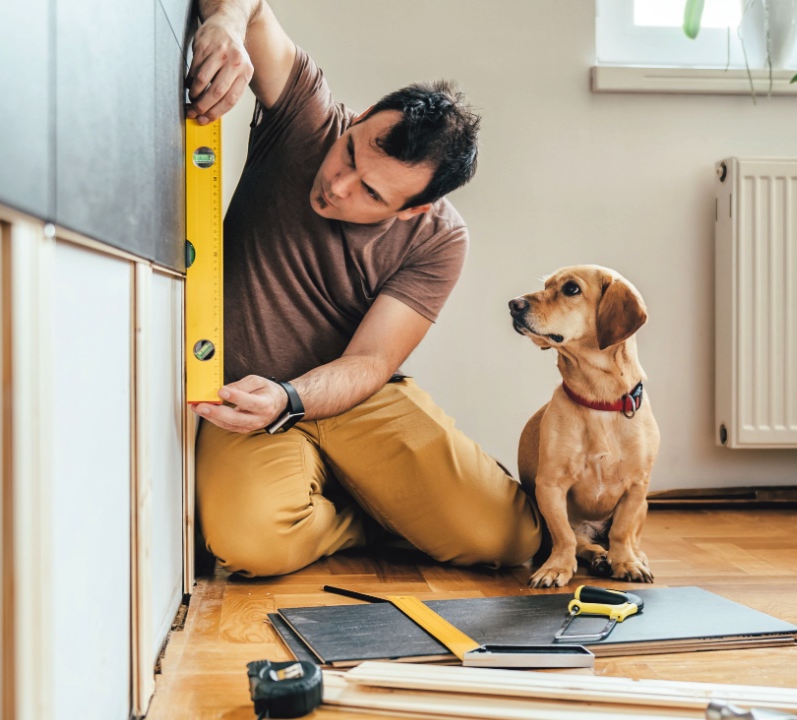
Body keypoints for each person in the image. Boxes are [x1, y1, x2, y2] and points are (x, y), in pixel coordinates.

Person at [185, 0, 542, 577]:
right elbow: (249, 7)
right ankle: (371, 515)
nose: (337, 185)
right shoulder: (307, 117)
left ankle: (384, 503)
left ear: (412, 209)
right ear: (366, 114)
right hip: (246, 398)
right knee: (251, 545)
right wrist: (224, 23)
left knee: (510, 538)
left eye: (372, 194)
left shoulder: (440, 239)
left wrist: (293, 396)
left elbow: (372, 361)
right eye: (351, 152)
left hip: (354, 396)